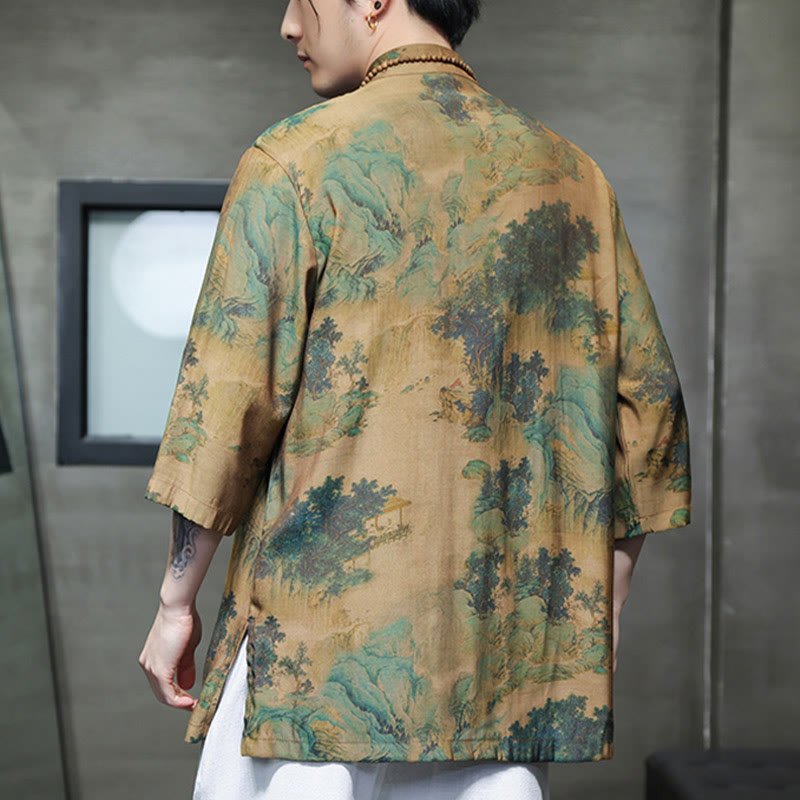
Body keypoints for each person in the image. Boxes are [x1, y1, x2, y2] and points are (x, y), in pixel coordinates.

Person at [138, 1, 692, 798]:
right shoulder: (575, 179)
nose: (289, 25)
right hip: (501, 662)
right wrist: (599, 599)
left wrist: (175, 603)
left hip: (315, 669)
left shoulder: (296, 160)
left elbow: (225, 406)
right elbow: (651, 411)